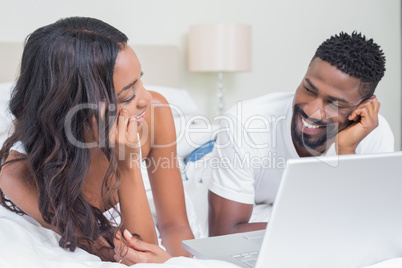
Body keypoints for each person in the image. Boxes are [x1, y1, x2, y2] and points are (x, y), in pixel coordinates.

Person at [0, 16, 194, 262]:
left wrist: (181, 263)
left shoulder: (154, 112)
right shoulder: (19, 175)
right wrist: (127, 164)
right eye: (127, 96)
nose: (145, 98)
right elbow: (133, 257)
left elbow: (175, 226)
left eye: (140, 80)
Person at [206, 32, 394, 236]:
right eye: (309, 89)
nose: (312, 111)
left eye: (334, 103)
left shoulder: (374, 133)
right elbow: (223, 234)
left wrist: (346, 150)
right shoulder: (245, 122)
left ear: (364, 106)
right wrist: (330, 225)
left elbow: (372, 224)